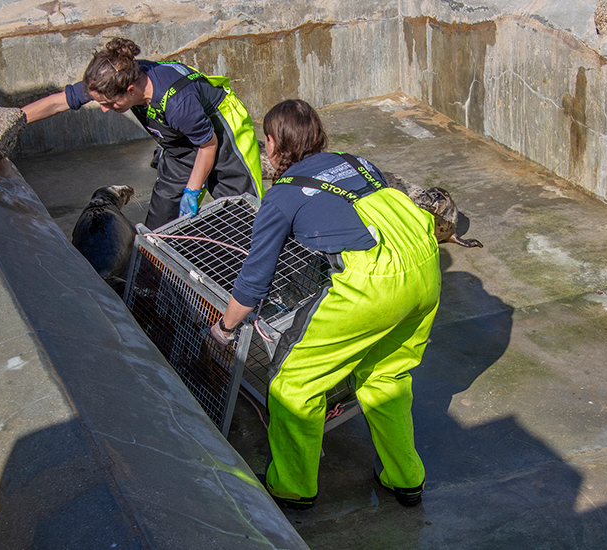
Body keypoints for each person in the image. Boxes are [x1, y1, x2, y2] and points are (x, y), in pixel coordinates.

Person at [210, 99, 441, 509]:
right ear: (319, 135)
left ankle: (293, 486)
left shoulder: (281, 196)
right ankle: (406, 478)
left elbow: (252, 284)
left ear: (273, 144)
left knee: (293, 386)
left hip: (373, 283)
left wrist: (225, 328)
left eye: (266, 144)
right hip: (424, 264)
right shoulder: (357, 161)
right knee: (386, 377)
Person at [22, 38, 263, 229]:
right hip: (178, 143)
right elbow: (58, 103)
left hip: (220, 135)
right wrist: (12, 120)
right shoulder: (115, 77)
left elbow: (208, 145)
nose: (104, 110)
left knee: (241, 215)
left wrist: (192, 190)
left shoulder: (177, 103)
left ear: (130, 90)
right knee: (161, 225)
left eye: (110, 103)